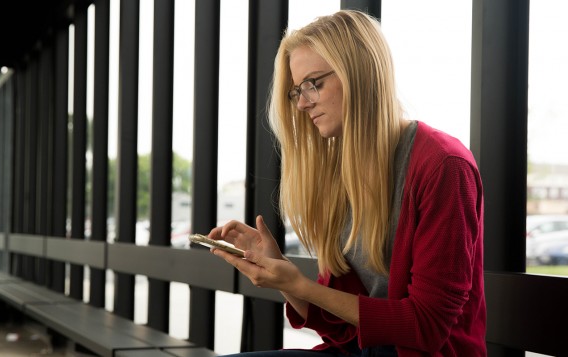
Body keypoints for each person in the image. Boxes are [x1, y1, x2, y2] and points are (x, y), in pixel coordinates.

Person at [207, 9, 486, 357]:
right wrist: (281, 274)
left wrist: (300, 284)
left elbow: (427, 326)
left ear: (361, 73)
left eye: (314, 83)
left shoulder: (444, 165)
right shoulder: (344, 171)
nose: (303, 104)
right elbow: (338, 321)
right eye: (297, 91)